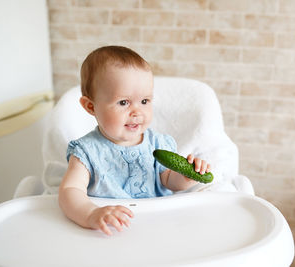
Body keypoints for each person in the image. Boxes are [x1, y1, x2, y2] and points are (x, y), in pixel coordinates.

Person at [58, 46, 211, 236]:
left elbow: (169, 181)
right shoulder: (86, 151)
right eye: (123, 102)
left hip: (155, 226)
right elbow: (70, 190)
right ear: (91, 106)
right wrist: (90, 214)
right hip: (109, 229)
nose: (137, 112)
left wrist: (186, 176)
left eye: (145, 101)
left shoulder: (158, 144)